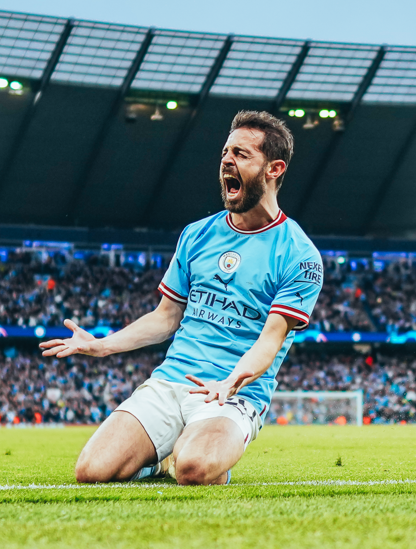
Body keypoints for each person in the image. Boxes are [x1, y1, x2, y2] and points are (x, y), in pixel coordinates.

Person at [41, 111, 323, 485]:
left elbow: (270, 342)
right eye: (225, 152)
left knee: (193, 469)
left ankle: (193, 449)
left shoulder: (299, 254)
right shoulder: (196, 235)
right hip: (171, 381)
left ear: (273, 169)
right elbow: (165, 318)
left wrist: (231, 382)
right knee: (92, 472)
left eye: (240, 154)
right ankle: (159, 458)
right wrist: (103, 346)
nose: (226, 160)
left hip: (233, 395)